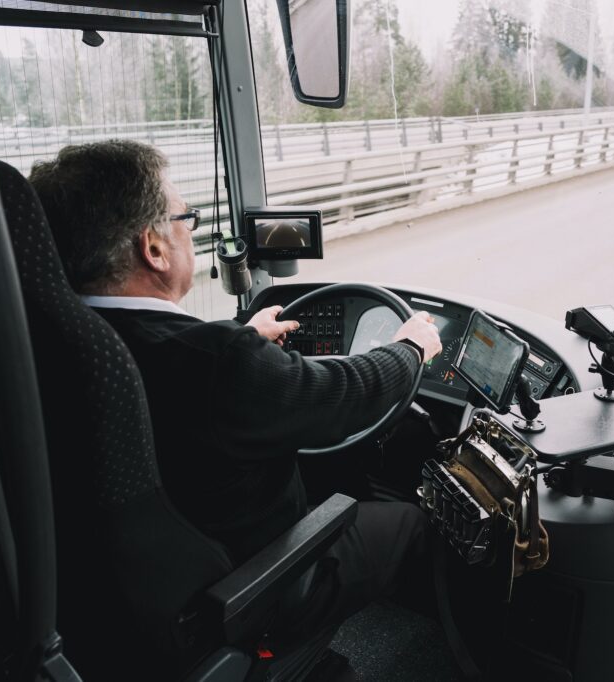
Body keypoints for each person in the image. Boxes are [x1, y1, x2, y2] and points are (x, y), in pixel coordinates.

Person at [29, 139, 442, 674]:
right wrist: (410, 348)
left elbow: (184, 376)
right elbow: (347, 395)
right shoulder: (215, 362)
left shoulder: (52, 341)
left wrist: (243, 339)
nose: (190, 232)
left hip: (107, 595)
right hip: (242, 589)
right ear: (152, 247)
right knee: (412, 521)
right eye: (186, 219)